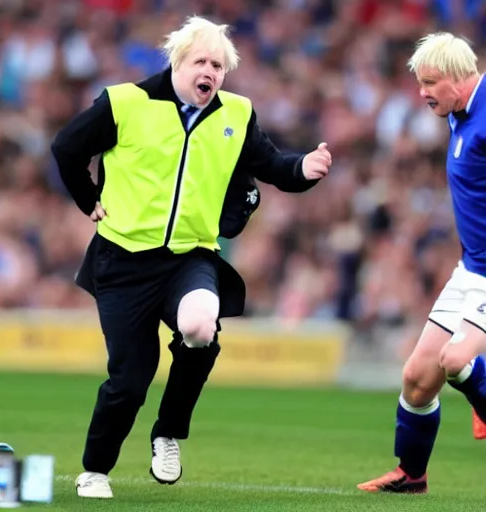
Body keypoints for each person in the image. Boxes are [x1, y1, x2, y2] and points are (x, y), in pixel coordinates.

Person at [51, 15, 332, 499]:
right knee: (129, 382)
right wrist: (87, 198)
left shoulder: (236, 115)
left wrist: (303, 168)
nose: (211, 72)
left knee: (202, 326)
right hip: (122, 260)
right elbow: (66, 147)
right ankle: (95, 470)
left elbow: (272, 166)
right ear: (179, 62)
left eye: (219, 66)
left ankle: (168, 432)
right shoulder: (126, 102)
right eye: (202, 61)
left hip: (190, 257)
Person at [358, 32, 486, 494]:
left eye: (430, 82)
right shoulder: (459, 112)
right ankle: (411, 475)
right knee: (416, 379)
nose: (423, 93)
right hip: (471, 270)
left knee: (458, 361)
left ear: (458, 78)